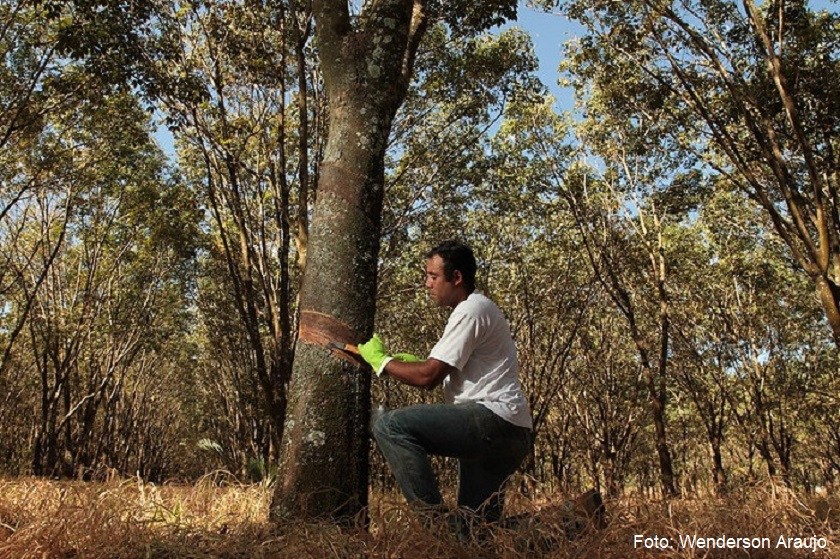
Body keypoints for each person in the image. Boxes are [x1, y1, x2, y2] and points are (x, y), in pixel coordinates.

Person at [358, 239, 533, 531]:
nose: (427, 284)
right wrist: (401, 362)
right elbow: (445, 367)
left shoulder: (471, 310)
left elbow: (428, 377)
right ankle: (573, 521)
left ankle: (436, 525)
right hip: (512, 432)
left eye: (433, 276)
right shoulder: (479, 308)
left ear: (457, 277)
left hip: (493, 421)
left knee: (390, 426)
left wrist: (382, 362)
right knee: (475, 534)